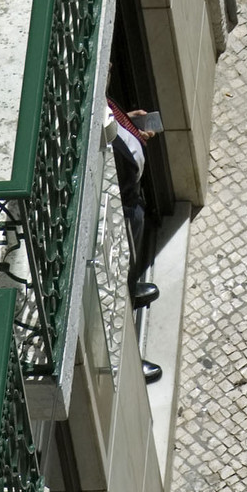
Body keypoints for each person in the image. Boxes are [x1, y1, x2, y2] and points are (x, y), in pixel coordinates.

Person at [106, 98, 165, 381]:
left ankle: (130, 290)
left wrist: (126, 122)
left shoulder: (103, 102)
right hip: (118, 210)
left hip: (132, 199)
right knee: (116, 277)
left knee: (130, 264)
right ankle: (128, 359)